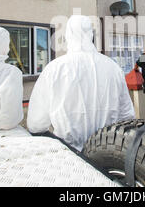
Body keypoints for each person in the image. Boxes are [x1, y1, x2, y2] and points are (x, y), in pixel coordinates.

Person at [26, 15, 135, 151]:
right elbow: (127, 116)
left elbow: (36, 124)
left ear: (68, 35)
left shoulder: (55, 68)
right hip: (107, 153)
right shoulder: (113, 67)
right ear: (91, 35)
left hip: (69, 154)